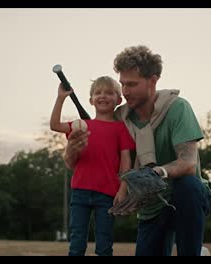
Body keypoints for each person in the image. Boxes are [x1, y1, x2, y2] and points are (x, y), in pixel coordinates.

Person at [64, 45, 211, 256]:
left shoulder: (177, 108)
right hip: (150, 206)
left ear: (152, 81)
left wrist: (157, 172)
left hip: (185, 199)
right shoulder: (118, 118)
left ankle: (193, 252)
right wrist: (72, 149)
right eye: (123, 84)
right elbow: (75, 163)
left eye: (132, 84)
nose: (124, 91)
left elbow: (188, 163)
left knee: (189, 186)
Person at [50, 76, 136, 256]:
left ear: (118, 100)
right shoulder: (82, 125)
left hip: (108, 193)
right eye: (98, 93)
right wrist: (61, 98)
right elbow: (55, 125)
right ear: (91, 100)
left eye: (109, 93)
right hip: (80, 191)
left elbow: (126, 160)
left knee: (104, 244)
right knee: (77, 242)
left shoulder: (121, 128)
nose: (103, 96)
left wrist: (123, 189)